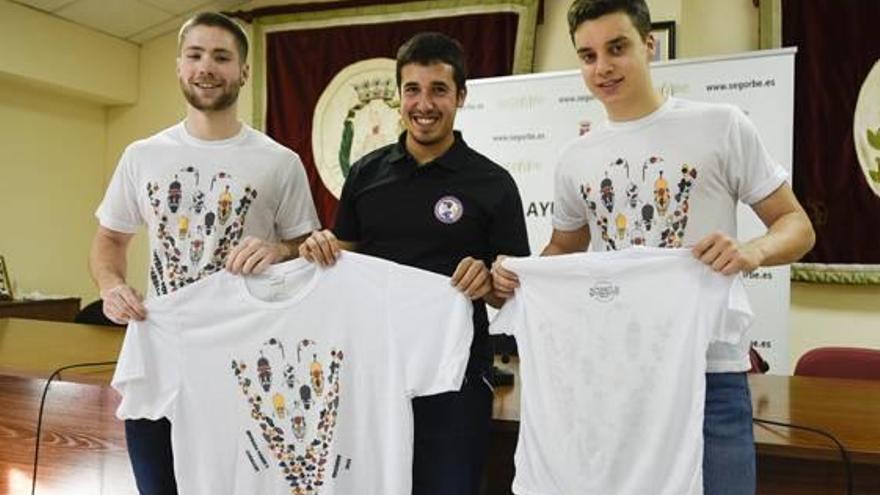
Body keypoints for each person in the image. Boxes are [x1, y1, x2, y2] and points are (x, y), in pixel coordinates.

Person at [491, 1, 815, 494]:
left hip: (711, 372)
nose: (602, 68)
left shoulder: (721, 125)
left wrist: (751, 252)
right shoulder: (575, 157)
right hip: (617, 375)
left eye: (617, 48)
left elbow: (797, 225)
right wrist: (523, 278)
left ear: (649, 44)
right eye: (588, 55)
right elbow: (564, 250)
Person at [89, 12, 320, 494]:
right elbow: (110, 241)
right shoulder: (142, 155)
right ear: (179, 66)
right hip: (161, 357)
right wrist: (111, 287)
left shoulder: (280, 162)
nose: (206, 67)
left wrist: (278, 249)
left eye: (221, 57)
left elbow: (309, 252)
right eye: (194, 55)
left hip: (247, 362)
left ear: (244, 71)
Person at [299, 32, 530, 495]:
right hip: (373, 368)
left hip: (457, 374)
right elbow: (343, 260)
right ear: (399, 96)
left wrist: (486, 283)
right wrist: (319, 247)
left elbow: (516, 289)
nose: (424, 104)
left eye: (439, 90)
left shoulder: (494, 183)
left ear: (460, 96)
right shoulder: (365, 173)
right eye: (412, 90)